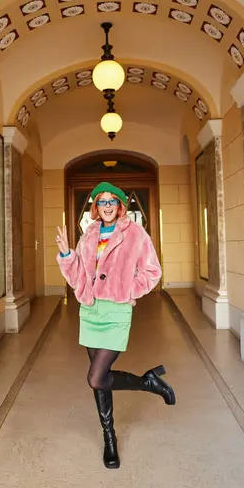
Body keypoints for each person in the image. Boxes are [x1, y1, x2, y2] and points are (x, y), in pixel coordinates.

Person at [56, 181, 176, 470]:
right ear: (95, 207)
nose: (107, 206)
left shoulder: (135, 234)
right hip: (90, 311)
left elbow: (152, 271)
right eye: (101, 202)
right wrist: (66, 256)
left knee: (97, 377)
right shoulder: (88, 236)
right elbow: (79, 277)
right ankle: (110, 438)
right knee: (101, 381)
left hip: (116, 312)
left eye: (112, 201)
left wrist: (125, 290)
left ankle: (148, 383)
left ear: (120, 205)